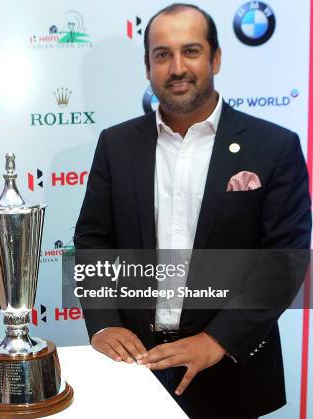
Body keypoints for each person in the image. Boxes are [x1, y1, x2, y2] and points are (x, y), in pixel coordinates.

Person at [74, 4, 310, 418]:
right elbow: (94, 240)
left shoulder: (274, 146)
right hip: (134, 367)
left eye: (191, 51)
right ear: (147, 67)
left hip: (232, 370)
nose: (177, 67)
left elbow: (284, 260)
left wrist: (218, 339)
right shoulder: (116, 145)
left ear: (216, 58)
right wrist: (103, 323)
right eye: (162, 54)